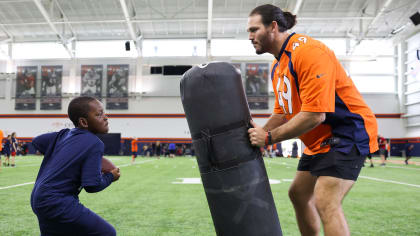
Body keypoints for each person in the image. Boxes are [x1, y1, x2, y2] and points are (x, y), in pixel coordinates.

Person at [246, 5, 378, 236]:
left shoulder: (308, 52)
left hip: (348, 131)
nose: (250, 36)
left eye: (254, 29)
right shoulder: (278, 66)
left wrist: (268, 138)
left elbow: (316, 115)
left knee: (326, 202)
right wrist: (260, 131)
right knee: (298, 194)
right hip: (321, 139)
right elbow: (282, 112)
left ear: (273, 27)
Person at [30, 96, 120, 236]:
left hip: (38, 198)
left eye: (104, 113)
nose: (105, 117)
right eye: (99, 114)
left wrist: (67, 152)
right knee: (107, 233)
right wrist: (110, 176)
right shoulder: (95, 143)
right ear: (84, 122)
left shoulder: (64, 134)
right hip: (57, 201)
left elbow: (37, 141)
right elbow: (92, 185)